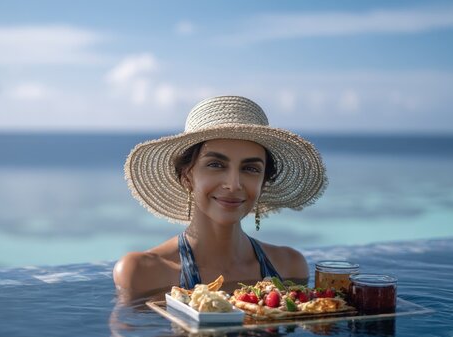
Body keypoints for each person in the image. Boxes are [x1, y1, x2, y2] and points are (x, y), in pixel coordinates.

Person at [113, 95, 327, 300]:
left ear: (263, 182)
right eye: (216, 165)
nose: (233, 184)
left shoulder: (290, 267)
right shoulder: (141, 272)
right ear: (187, 176)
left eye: (251, 168)